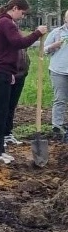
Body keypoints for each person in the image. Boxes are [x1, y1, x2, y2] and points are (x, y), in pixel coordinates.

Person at [0, 0, 47, 164]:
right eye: (23, 13)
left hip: (4, 71)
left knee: (3, 112)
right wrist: (37, 33)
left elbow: (5, 49)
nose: (23, 16)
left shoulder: (7, 22)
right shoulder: (6, 22)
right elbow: (18, 43)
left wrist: (11, 71)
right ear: (15, 8)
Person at [44, 9, 68, 139]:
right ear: (65, 19)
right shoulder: (57, 32)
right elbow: (43, 50)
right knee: (60, 99)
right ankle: (57, 126)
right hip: (59, 71)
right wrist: (53, 46)